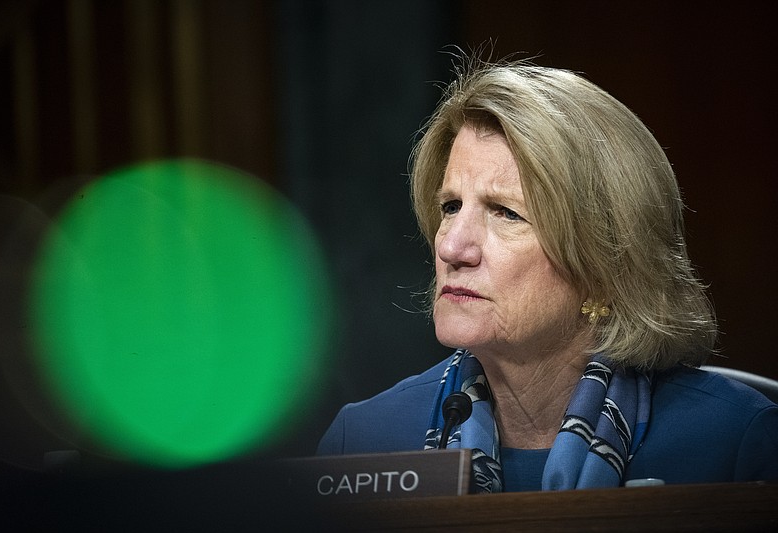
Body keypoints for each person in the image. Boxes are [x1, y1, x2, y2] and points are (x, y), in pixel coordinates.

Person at [316, 60, 778, 492]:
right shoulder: (362, 442)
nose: (451, 246)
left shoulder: (735, 443)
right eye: (450, 206)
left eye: (506, 213)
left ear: (605, 261)